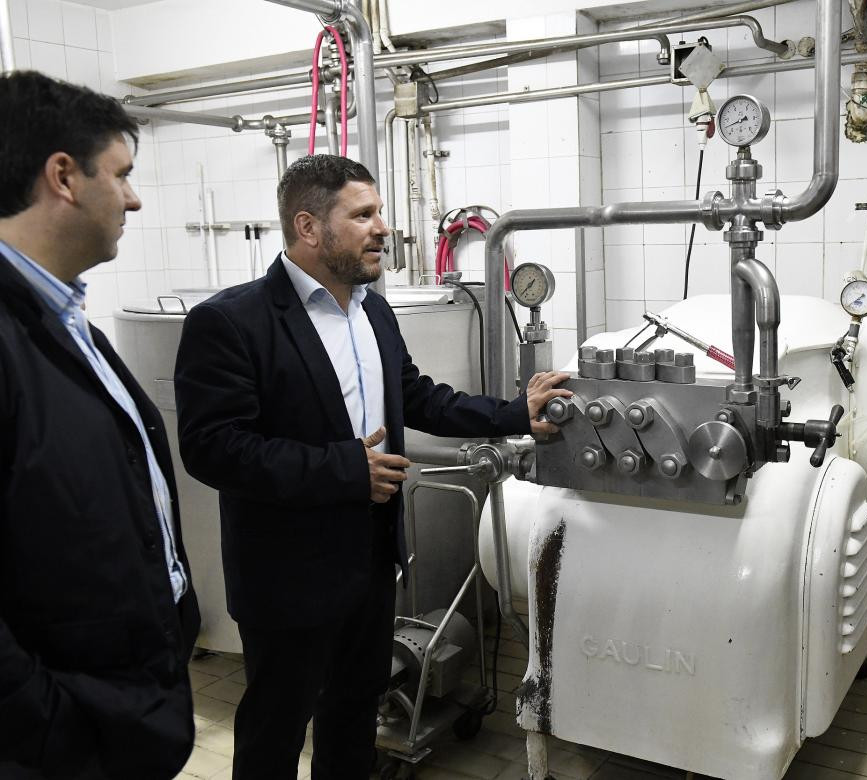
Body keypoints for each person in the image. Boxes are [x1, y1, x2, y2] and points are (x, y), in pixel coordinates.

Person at [173, 153, 570, 778]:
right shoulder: (232, 322)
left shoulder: (373, 310)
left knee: (354, 713)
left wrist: (515, 412)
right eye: (363, 215)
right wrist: (341, 470)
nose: (383, 227)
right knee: (276, 725)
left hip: (369, 558)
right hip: (286, 572)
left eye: (379, 212)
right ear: (309, 227)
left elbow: (418, 397)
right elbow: (211, 447)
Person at [0, 71, 201, 779]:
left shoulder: (63, 317)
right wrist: (53, 729)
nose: (136, 197)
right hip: (63, 737)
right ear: (64, 176)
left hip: (125, 703)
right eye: (122, 174)